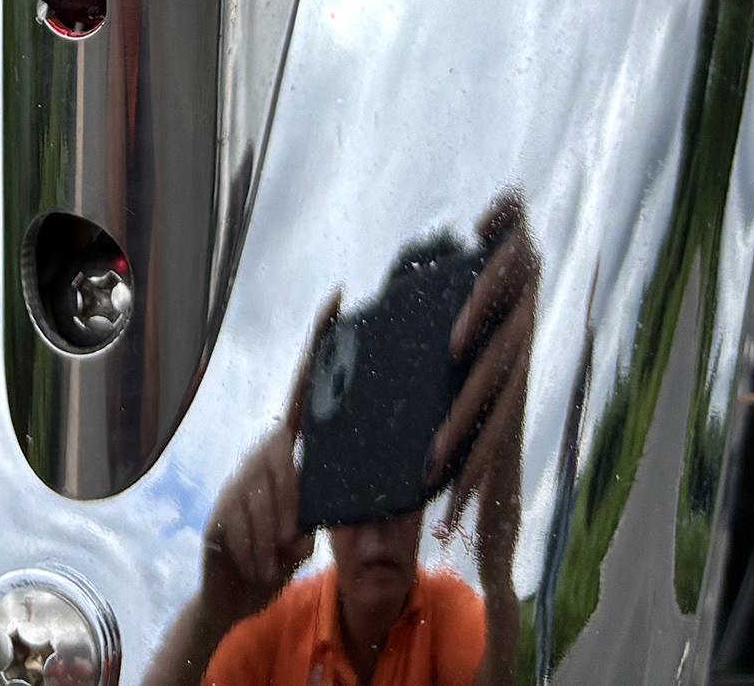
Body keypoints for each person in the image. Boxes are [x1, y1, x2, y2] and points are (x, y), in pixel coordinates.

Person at [148, 197, 537, 686]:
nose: (378, 518)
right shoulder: (274, 626)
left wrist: (497, 568)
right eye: (355, 472)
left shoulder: (447, 614)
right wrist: (211, 617)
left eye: (399, 471)